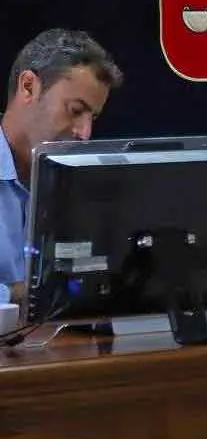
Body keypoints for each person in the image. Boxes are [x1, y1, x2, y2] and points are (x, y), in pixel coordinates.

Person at [0, 29, 123, 297]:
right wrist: (22, 294)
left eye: (93, 117)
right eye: (75, 111)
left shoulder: (72, 189)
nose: (85, 133)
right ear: (29, 86)